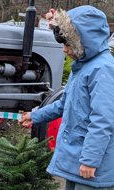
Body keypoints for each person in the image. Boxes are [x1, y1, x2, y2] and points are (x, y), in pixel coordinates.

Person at [19, 5, 114, 190]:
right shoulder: (82, 66)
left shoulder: (102, 69)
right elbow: (64, 104)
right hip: (76, 160)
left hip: (93, 167)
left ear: (86, 41)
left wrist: (90, 160)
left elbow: (103, 120)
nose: (64, 50)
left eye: (68, 44)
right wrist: (35, 116)